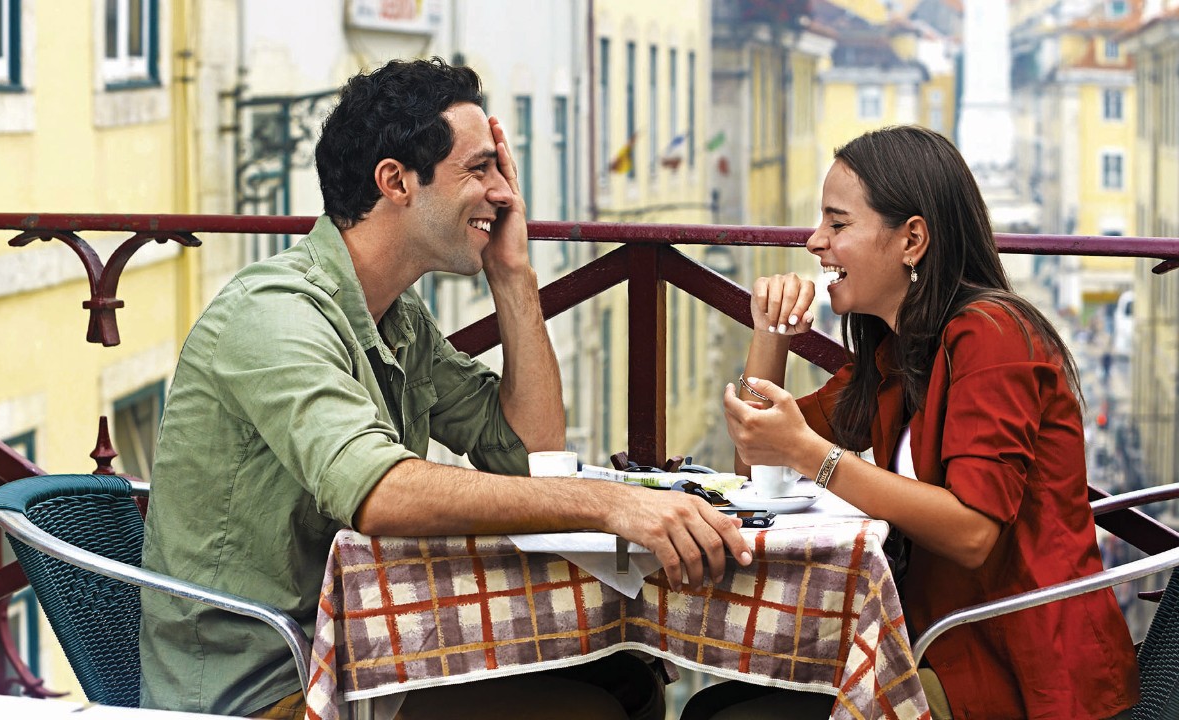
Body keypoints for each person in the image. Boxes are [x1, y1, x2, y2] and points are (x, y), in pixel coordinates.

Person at [138, 58, 752, 720]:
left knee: (625, 679)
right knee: (590, 712)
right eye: (479, 169)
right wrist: (604, 504)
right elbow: (378, 491)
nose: (504, 193)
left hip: (367, 650)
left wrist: (513, 275)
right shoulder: (274, 313)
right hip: (263, 690)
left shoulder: (397, 318)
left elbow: (529, 454)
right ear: (395, 181)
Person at [719, 126, 1138, 719]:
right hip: (932, 645)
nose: (815, 242)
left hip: (1022, 670)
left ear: (911, 238)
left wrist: (814, 456)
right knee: (724, 708)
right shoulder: (904, 350)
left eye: (838, 225)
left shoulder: (994, 337)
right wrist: (770, 333)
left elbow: (972, 532)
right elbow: (756, 458)